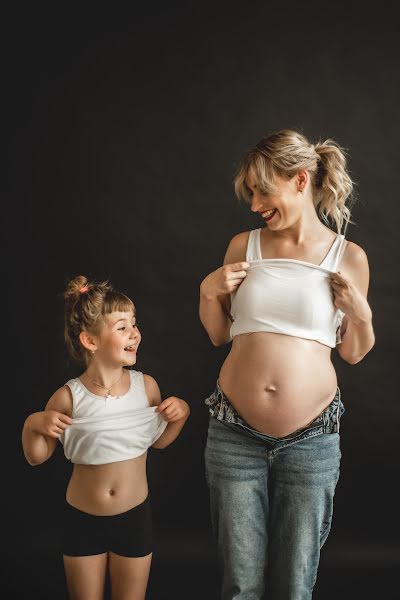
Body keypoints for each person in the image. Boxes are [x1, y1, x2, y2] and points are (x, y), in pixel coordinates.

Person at [199, 129, 375, 600]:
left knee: (295, 586)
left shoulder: (347, 258)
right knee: (241, 584)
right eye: (250, 193)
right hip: (234, 432)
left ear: (300, 181)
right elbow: (219, 334)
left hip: (312, 440)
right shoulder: (243, 247)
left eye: (262, 190)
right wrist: (207, 292)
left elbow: (354, 351)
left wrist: (361, 313)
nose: (255, 204)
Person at [22, 275, 190, 600]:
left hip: (135, 518)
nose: (135, 333)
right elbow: (36, 456)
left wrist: (180, 415)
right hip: (82, 520)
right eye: (122, 327)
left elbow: (158, 441)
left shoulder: (147, 388)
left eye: (135, 324)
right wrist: (33, 425)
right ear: (90, 341)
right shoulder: (68, 397)